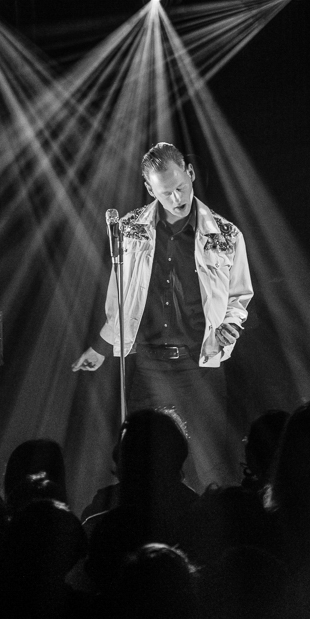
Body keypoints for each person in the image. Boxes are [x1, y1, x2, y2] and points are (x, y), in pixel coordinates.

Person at [72, 142, 253, 490]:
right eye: (166, 192)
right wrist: (101, 346)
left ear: (190, 173)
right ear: (149, 189)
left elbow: (239, 295)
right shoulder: (129, 230)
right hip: (149, 363)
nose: (176, 198)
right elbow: (120, 298)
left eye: (180, 188)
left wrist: (230, 324)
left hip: (200, 363)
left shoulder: (225, 234)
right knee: (143, 461)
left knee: (209, 463)